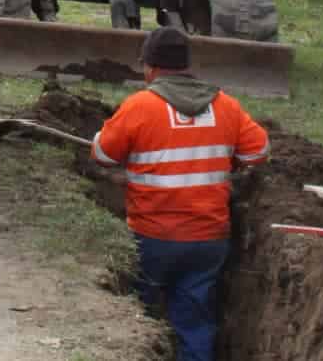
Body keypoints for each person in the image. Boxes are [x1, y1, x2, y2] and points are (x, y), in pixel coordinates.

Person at [90, 28, 269, 361]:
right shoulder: (225, 105)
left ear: (151, 68)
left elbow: (102, 155)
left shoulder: (140, 105)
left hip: (151, 237)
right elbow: (258, 153)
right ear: (187, 65)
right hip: (208, 238)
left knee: (140, 315)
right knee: (195, 319)